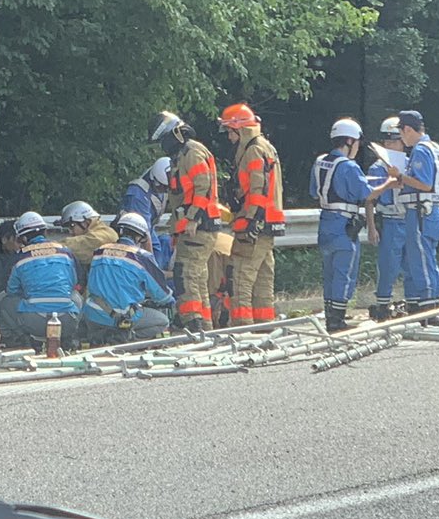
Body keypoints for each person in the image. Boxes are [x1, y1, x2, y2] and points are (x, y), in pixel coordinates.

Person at [152, 111, 225, 331]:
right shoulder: (184, 154)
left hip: (199, 227)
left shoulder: (192, 152)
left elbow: (204, 186)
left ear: (174, 133)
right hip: (195, 228)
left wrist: (192, 219)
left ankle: (193, 325)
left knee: (186, 276)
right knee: (197, 278)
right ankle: (203, 326)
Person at [220, 103, 285, 325]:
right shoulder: (266, 146)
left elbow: (258, 190)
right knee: (263, 279)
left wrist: (250, 221)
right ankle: (265, 326)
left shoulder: (253, 150)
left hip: (254, 224)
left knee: (240, 277)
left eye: (230, 131)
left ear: (241, 129)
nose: (229, 137)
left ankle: (242, 329)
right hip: (268, 223)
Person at [312, 118, 377, 332]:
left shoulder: (320, 162)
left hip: (326, 223)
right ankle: (337, 320)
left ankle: (330, 315)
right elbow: (367, 194)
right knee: (344, 273)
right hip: (343, 226)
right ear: (349, 141)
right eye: (357, 142)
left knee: (329, 273)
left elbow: (314, 191)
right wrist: (390, 183)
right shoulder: (349, 166)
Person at [79, 212, 173, 342]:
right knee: (162, 321)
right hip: (123, 317)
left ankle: (101, 337)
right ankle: (125, 338)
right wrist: (170, 301)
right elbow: (162, 295)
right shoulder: (141, 256)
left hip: (94, 315)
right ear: (140, 237)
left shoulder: (99, 251)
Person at [386, 109, 439, 310]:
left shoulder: (420, 150)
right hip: (431, 211)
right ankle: (432, 302)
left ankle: (428, 306)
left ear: (408, 129)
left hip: (421, 211)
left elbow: (425, 183)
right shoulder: (434, 147)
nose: (401, 138)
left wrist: (400, 176)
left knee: (421, 260)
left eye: (401, 132)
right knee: (428, 258)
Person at [0, 211, 80, 347]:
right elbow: (75, 283)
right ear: (45, 232)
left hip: (34, 322)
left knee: (5, 302)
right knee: (76, 296)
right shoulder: (66, 252)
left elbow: (11, 290)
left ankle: (20, 339)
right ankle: (68, 338)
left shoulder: (20, 258)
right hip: (66, 320)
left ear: (22, 238)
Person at [59, 200, 118, 289]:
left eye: (72, 226)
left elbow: (77, 245)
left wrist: (48, 247)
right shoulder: (100, 232)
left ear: (85, 222)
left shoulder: (103, 236)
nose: (71, 232)